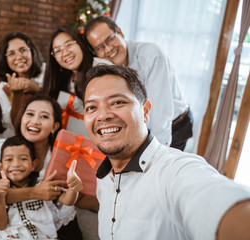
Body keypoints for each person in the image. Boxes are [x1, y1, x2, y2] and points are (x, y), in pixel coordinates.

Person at [82, 64, 250, 240]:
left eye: (117, 102)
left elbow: (215, 200)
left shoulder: (175, 171)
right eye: (91, 107)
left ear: (145, 111)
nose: (103, 116)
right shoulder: (104, 176)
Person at [0, 95, 84, 239]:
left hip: (62, 226)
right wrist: (35, 192)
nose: (35, 121)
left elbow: (69, 197)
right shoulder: (7, 148)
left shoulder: (64, 154)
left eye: (44, 116)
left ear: (55, 126)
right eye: (30, 114)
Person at [84, 16, 193, 150]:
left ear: (120, 32)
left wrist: (156, 154)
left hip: (174, 125)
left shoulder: (152, 56)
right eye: (99, 47)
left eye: (110, 39)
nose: (107, 49)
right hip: (145, 128)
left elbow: (160, 115)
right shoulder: (107, 65)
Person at [0, 136, 83, 239]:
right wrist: (0, 197)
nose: (16, 164)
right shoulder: (1, 190)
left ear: (33, 165)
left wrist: (73, 188)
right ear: (1, 166)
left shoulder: (43, 186)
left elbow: (67, 200)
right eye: (9, 159)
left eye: (23, 159)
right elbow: (0, 226)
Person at [0, 31, 46, 137]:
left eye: (23, 50)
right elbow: (13, 123)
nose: (18, 57)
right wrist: (17, 95)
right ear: (5, 59)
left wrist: (36, 89)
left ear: (32, 52)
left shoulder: (46, 72)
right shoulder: (4, 87)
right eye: (11, 53)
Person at [42, 25, 96, 101]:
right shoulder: (66, 78)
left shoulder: (100, 68)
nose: (65, 53)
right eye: (57, 51)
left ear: (80, 43)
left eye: (69, 44)